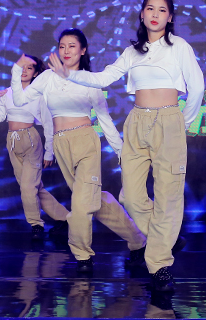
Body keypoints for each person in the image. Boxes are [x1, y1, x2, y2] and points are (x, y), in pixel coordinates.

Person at [49, 0, 204, 293]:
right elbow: (103, 78)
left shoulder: (180, 47)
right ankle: (165, 239)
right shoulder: (133, 52)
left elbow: (197, 88)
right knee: (130, 196)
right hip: (137, 122)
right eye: (150, 9)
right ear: (142, 14)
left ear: (170, 17)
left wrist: (180, 123)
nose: (155, 14)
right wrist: (68, 74)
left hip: (169, 119)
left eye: (162, 10)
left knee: (168, 196)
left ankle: (159, 266)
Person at [12, 29, 146, 273]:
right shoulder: (48, 77)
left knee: (82, 203)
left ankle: (83, 257)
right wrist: (15, 70)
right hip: (62, 144)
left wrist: (121, 152)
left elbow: (104, 119)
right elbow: (20, 100)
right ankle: (139, 242)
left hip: (85, 141)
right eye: (62, 46)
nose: (66, 51)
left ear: (83, 50)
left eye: (72, 46)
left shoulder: (89, 80)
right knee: (95, 200)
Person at [0, 54, 68, 240]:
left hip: (30, 140)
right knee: (33, 188)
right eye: (22, 67)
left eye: (29, 68)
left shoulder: (38, 95)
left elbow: (48, 124)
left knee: (28, 188)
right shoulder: (7, 93)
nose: (24, 71)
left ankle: (36, 224)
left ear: (36, 73)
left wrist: (49, 152)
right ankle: (65, 218)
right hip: (12, 141)